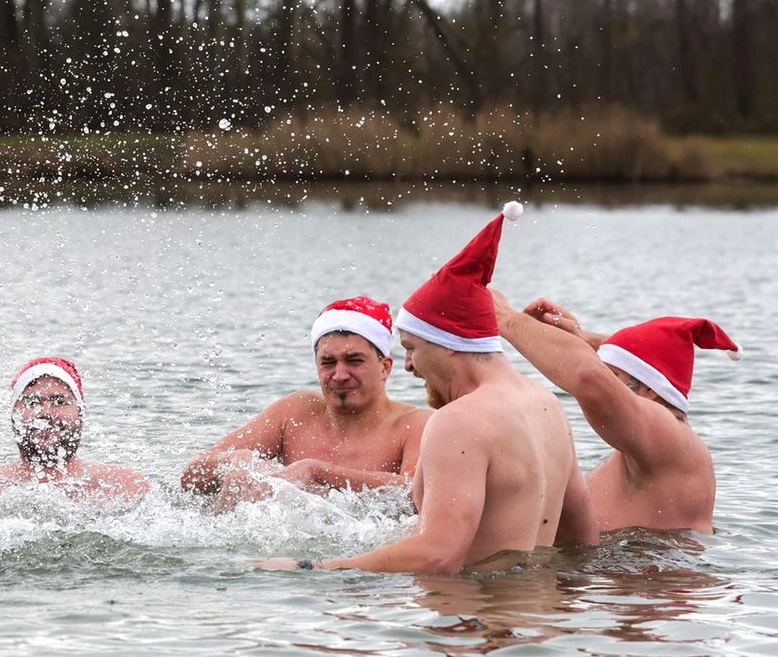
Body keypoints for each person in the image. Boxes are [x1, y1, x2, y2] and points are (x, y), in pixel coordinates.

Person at [266, 202, 597, 574]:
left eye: (411, 348)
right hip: (536, 622)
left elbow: (438, 554)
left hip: (471, 623)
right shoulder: (546, 404)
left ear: (450, 343)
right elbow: (582, 538)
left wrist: (314, 566)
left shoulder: (458, 422)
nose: (407, 365)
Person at [495, 294, 739, 534]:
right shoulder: (642, 447)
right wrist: (577, 342)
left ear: (650, 390)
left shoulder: (669, 435)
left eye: (611, 377)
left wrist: (503, 317)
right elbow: (599, 370)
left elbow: (588, 378)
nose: (606, 384)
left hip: (658, 569)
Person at [182, 297, 430, 511]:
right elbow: (191, 476)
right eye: (328, 362)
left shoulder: (415, 424)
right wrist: (238, 461)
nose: (340, 374)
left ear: (385, 367)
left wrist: (316, 472)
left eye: (354, 361)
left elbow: (415, 494)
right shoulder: (296, 411)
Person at [0, 357, 150, 502]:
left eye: (59, 401)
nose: (46, 413)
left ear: (80, 411)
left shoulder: (126, 485)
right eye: (32, 403)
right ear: (13, 412)